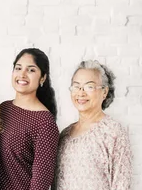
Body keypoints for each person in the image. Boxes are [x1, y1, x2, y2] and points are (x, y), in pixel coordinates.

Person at [54, 60, 132, 190]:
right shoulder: (65, 135)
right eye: (76, 86)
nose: (81, 93)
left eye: (89, 87)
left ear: (104, 92)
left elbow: (122, 184)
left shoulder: (114, 132)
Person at [0, 48, 59, 190]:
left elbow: (40, 184)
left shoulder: (45, 123)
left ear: (43, 78)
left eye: (31, 70)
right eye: (18, 68)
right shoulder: (3, 108)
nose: (22, 74)